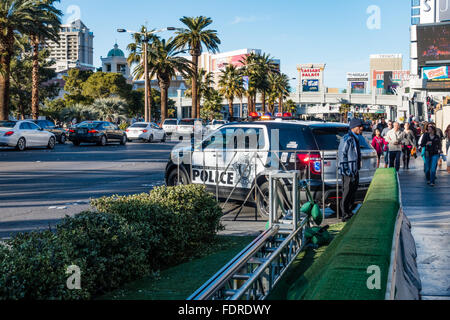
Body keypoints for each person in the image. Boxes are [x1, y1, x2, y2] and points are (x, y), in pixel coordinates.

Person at [338, 118, 364, 222]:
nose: (361, 128)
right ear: (354, 127)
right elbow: (342, 155)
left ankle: (349, 212)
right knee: (347, 192)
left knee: (353, 192)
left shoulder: (356, 138)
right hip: (348, 172)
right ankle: (344, 214)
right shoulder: (347, 139)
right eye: (360, 126)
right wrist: (346, 170)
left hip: (354, 170)